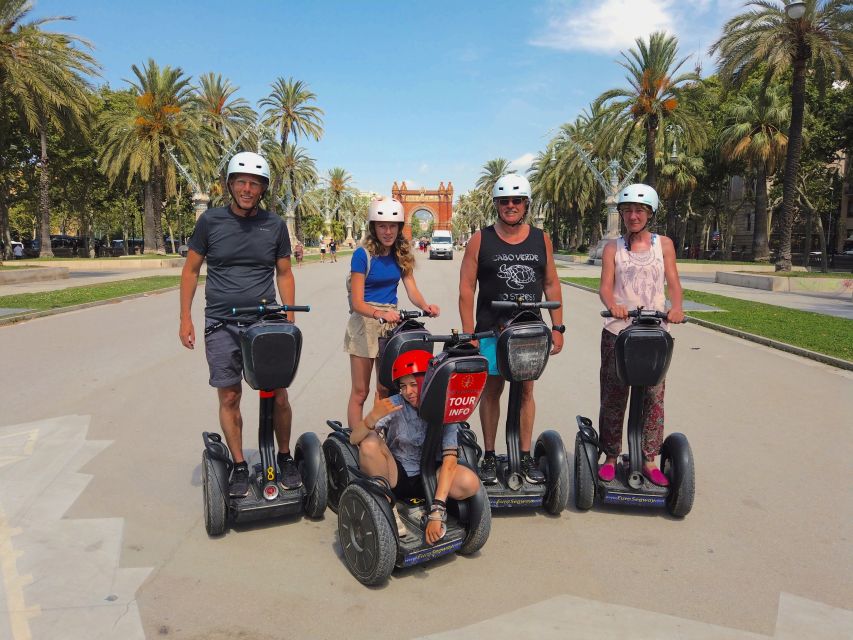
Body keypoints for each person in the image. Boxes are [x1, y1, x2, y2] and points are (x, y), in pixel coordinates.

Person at [179, 151, 301, 498]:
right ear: (230, 185)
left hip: (264, 323)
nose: (248, 189)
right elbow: (190, 271)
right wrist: (185, 317)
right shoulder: (210, 222)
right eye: (241, 182)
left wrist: (288, 318)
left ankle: (284, 455)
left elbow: (285, 272)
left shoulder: (274, 225)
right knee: (230, 395)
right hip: (221, 321)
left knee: (277, 394)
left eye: (255, 184)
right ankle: (238, 463)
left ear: (263, 189)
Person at [459, 174, 564, 485]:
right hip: (491, 330)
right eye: (504, 201)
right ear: (496, 205)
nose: (510, 206)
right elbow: (466, 287)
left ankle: (525, 454)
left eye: (516, 201)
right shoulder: (481, 239)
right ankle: (490, 456)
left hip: (530, 330)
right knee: (492, 390)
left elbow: (551, 283)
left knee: (526, 391)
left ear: (526, 204)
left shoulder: (540, 238)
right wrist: (469, 334)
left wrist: (557, 326)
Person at [597, 183, 684, 487]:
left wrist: (677, 307)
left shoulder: (665, 245)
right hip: (619, 332)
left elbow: (673, 281)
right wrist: (613, 305)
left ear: (650, 214)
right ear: (621, 214)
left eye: (639, 210)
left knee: (653, 396)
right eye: (628, 210)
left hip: (654, 332)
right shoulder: (613, 248)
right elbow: (606, 286)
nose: (633, 215)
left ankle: (649, 459)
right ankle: (610, 455)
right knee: (614, 395)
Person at [349, 350, 480, 542]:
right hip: (397, 475)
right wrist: (372, 417)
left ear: (427, 382)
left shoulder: (446, 407)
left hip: (431, 478)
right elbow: (354, 439)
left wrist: (436, 511)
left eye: (413, 384)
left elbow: (450, 460)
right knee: (368, 442)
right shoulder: (395, 404)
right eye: (403, 386)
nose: (408, 392)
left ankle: (437, 503)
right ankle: (388, 507)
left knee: (470, 482)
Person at [345, 195, 440, 428]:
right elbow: (357, 302)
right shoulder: (362, 255)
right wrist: (379, 313)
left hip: (391, 324)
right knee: (360, 391)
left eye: (392, 226)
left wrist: (425, 306)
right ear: (373, 227)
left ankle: (381, 437)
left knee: (385, 387)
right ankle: (357, 440)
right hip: (365, 322)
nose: (387, 231)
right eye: (382, 226)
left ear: (399, 227)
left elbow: (411, 289)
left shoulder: (400, 254)